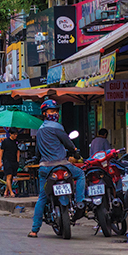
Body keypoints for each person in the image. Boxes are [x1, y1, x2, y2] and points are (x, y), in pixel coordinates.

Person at [28, 99, 85, 238]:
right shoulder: (57, 127)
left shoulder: (40, 131)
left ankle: (34, 230)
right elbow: (68, 144)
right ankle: (80, 202)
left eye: (55, 111)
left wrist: (36, 158)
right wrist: (74, 151)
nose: (54, 113)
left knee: (42, 197)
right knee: (81, 175)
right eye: (51, 111)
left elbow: (37, 152)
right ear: (44, 113)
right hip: (62, 165)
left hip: (45, 169)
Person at [1, 128, 20, 197]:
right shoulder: (5, 142)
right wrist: (0, 161)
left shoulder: (16, 142)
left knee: (11, 177)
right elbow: (1, 151)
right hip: (7, 160)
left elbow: (18, 151)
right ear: (10, 134)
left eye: (16, 134)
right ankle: (11, 192)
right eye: (14, 134)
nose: (15, 136)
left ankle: (6, 192)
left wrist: (18, 160)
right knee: (9, 176)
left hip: (14, 161)